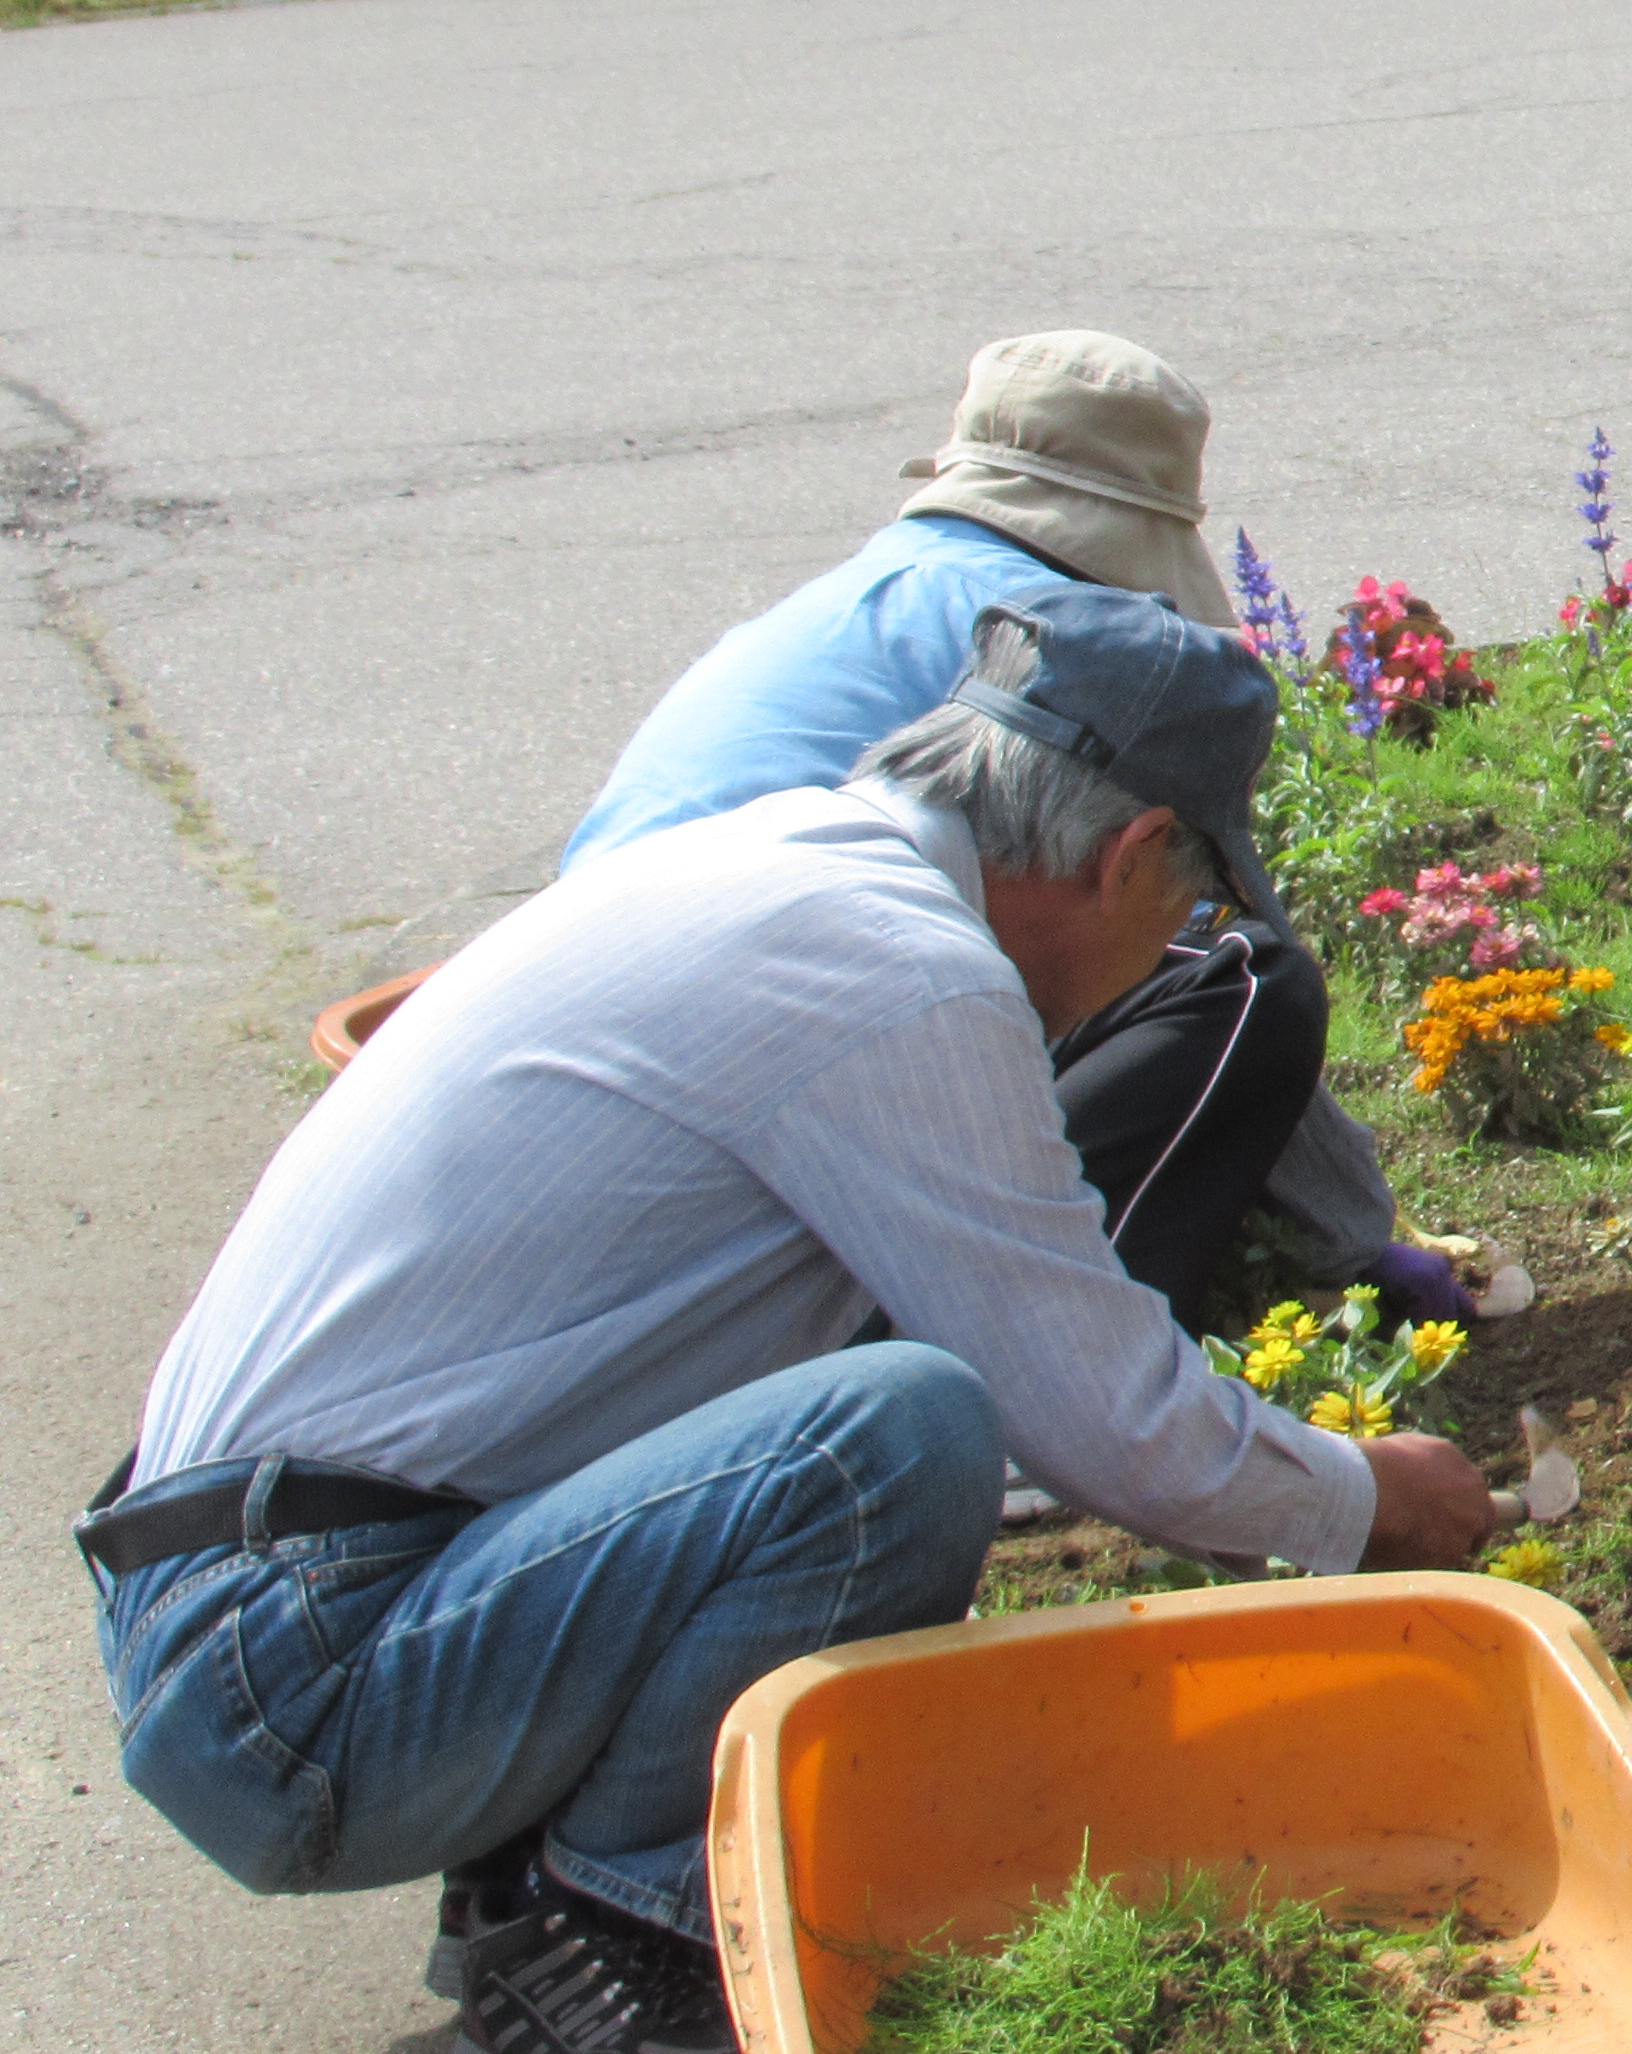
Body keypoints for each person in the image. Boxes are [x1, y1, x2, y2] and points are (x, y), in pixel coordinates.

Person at [87, 589, 1503, 2054]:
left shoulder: (772, 868)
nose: (1170, 953)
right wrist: (1364, 1494)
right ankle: (610, 1944)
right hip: (292, 1674)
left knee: (834, 1377)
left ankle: (533, 1880)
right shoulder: (898, 973)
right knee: (895, 1436)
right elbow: (1102, 1413)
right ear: (1123, 855)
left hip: (252, 1602)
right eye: (1185, 905)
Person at [567, 327, 1418, 1331]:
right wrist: (1359, 1244)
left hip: (605, 1048)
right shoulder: (1053, 641)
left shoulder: (882, 589)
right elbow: (1203, 914)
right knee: (1242, 979)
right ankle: (1055, 1339)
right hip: (756, 1094)